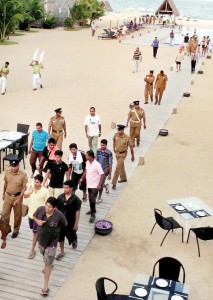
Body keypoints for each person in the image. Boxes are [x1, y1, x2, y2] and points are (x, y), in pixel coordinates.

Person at [33, 197, 67, 296]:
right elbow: (34, 216)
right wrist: (38, 221)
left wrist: (55, 231)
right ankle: (48, 263)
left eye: (49, 207)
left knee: (48, 263)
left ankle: (45, 286)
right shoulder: (40, 209)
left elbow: (64, 224)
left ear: (54, 208)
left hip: (52, 242)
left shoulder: (59, 215)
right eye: (46, 205)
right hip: (41, 241)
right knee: (44, 256)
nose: (47, 208)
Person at [23, 174, 49, 259]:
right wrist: (29, 192)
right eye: (34, 181)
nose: (35, 183)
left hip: (39, 216)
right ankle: (39, 242)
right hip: (31, 215)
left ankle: (32, 250)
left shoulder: (45, 191)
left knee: (35, 234)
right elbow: (25, 196)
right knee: (35, 233)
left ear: (41, 182)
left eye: (37, 182)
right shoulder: (31, 188)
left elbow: (47, 204)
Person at [2, 159, 28, 239]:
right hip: (8, 196)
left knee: (17, 216)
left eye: (15, 166)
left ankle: (16, 230)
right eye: (12, 166)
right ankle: (6, 229)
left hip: (18, 197)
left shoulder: (23, 175)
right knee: (4, 215)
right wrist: (3, 193)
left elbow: (24, 188)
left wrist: (19, 199)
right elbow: (5, 183)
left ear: (18, 166)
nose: (13, 168)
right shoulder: (7, 172)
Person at [56, 180, 81, 260]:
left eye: (67, 188)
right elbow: (56, 209)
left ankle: (74, 239)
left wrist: (76, 223)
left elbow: (77, 211)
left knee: (71, 234)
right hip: (61, 222)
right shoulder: (60, 197)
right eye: (64, 187)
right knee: (61, 237)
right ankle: (62, 251)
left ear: (71, 188)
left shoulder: (76, 199)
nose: (65, 189)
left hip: (71, 221)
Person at [79, 150, 104, 223]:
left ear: (91, 156)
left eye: (87, 155)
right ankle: (91, 209)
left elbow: (102, 175)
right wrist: (82, 178)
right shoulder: (87, 163)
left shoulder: (97, 164)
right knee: (90, 199)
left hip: (95, 186)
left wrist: (99, 185)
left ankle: (93, 215)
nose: (86, 157)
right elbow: (86, 171)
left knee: (92, 199)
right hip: (89, 184)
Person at [111, 125, 134, 190]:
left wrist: (132, 156)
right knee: (121, 166)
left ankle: (114, 183)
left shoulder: (127, 138)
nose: (118, 131)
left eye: (119, 130)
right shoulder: (116, 135)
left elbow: (131, 147)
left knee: (117, 168)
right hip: (117, 153)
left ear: (122, 130)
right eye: (118, 130)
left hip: (123, 154)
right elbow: (114, 141)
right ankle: (124, 178)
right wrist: (113, 148)